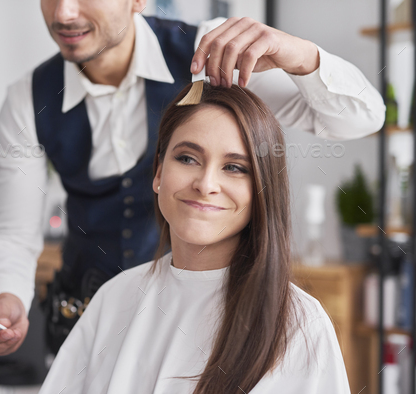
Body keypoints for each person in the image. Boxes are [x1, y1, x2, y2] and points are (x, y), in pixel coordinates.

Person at [0, 0, 385, 357]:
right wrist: (8, 297)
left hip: (204, 320)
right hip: (86, 320)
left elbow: (362, 119)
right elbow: (11, 230)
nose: (64, 13)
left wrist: (301, 56)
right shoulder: (29, 97)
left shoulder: (211, 53)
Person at [38, 81, 350, 394]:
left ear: (261, 190)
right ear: (159, 173)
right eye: (187, 158)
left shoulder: (300, 324)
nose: (205, 183)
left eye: (233, 167)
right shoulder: (114, 299)